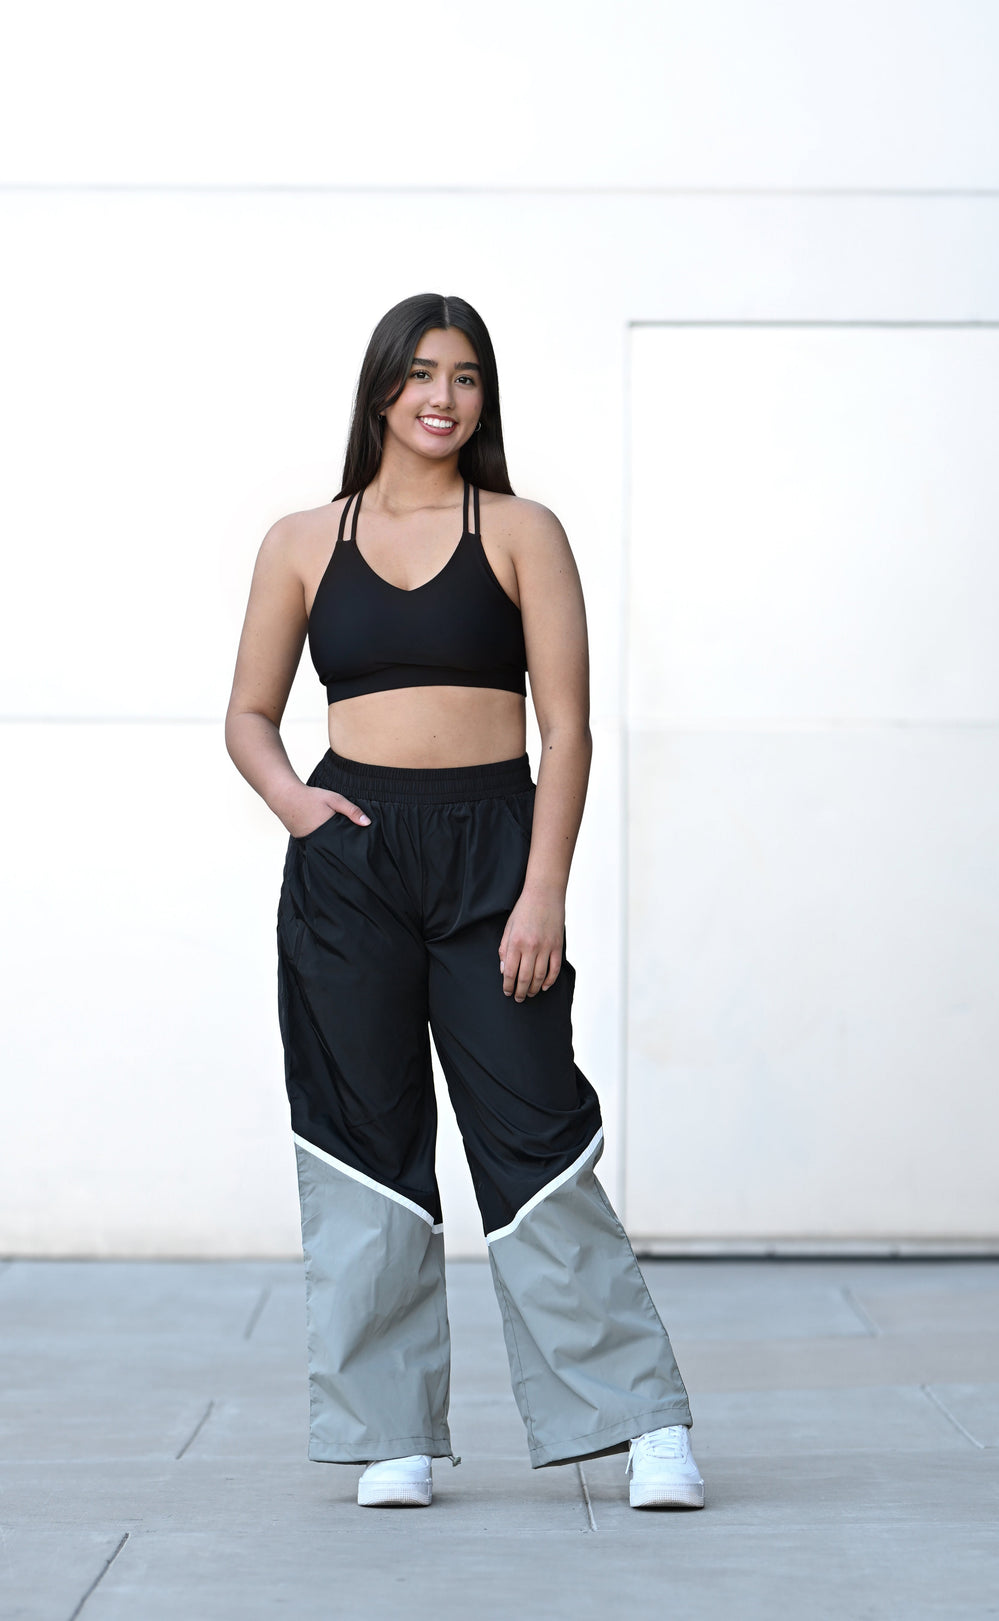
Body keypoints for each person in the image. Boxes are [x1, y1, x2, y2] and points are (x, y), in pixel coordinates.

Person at [224, 292, 704, 1512]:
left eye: (470, 376)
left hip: (496, 853)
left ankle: (642, 1420)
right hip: (353, 859)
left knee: (537, 1136)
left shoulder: (524, 531)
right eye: (424, 372)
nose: (445, 396)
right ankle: (391, 1431)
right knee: (361, 1138)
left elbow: (572, 728)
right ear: (382, 387)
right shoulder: (299, 538)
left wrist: (541, 889)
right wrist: (295, 806)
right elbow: (247, 714)